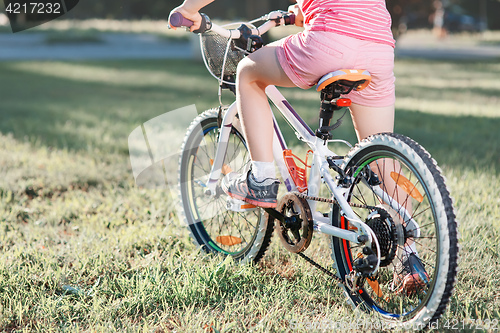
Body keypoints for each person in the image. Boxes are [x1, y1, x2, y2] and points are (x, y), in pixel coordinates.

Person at [170, 0, 427, 293]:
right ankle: (409, 260)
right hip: (379, 46)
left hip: (331, 42)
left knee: (247, 73)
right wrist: (297, 14)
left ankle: (262, 179)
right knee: (383, 160)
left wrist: (189, 10)